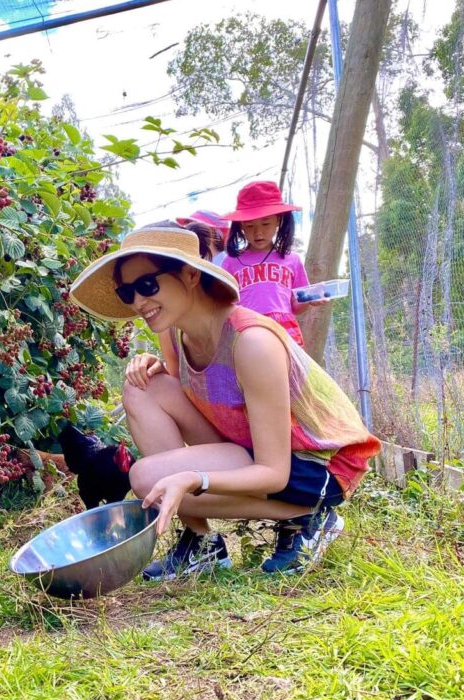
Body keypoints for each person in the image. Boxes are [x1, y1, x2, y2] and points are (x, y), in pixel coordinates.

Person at [68, 225, 380, 578]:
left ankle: (309, 515)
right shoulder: (177, 333)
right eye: (128, 293)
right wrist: (153, 367)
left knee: (144, 477)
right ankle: (202, 544)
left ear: (188, 274)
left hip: (316, 463)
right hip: (251, 447)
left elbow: (274, 473)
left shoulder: (251, 342)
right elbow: (187, 395)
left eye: (147, 285)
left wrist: (193, 479)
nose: (139, 302)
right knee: (141, 387)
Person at [220, 181, 327, 346]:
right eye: (250, 225)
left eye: (265, 223)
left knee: (286, 371)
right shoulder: (230, 263)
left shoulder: (292, 260)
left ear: (278, 220)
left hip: (284, 332)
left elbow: (295, 306)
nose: (258, 232)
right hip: (247, 331)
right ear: (241, 225)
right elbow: (224, 305)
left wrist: (309, 299)